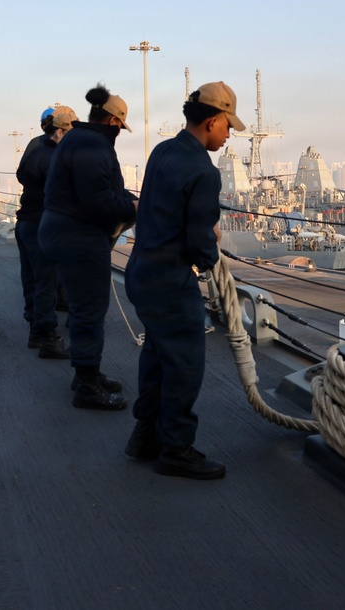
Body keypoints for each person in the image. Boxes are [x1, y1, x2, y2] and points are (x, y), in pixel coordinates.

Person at [123, 82, 245, 479]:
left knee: (159, 355)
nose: (229, 137)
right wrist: (213, 254)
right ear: (212, 122)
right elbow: (198, 242)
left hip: (142, 270)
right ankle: (176, 447)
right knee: (185, 363)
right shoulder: (203, 172)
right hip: (170, 279)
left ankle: (145, 435)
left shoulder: (162, 152)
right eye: (228, 127)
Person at [38, 84, 137, 410]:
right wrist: (132, 208)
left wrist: (124, 201)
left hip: (62, 231)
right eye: (120, 129)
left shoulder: (79, 140)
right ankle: (87, 387)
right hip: (78, 237)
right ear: (112, 122)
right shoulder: (93, 146)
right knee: (89, 310)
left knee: (84, 309)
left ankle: (86, 375)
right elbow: (97, 201)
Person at [15, 106, 77, 360]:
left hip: (25, 223)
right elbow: (61, 195)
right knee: (46, 284)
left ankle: (35, 332)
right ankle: (48, 337)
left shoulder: (34, 149)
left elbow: (21, 175)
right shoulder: (57, 159)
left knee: (31, 280)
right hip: (45, 226)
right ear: (60, 132)